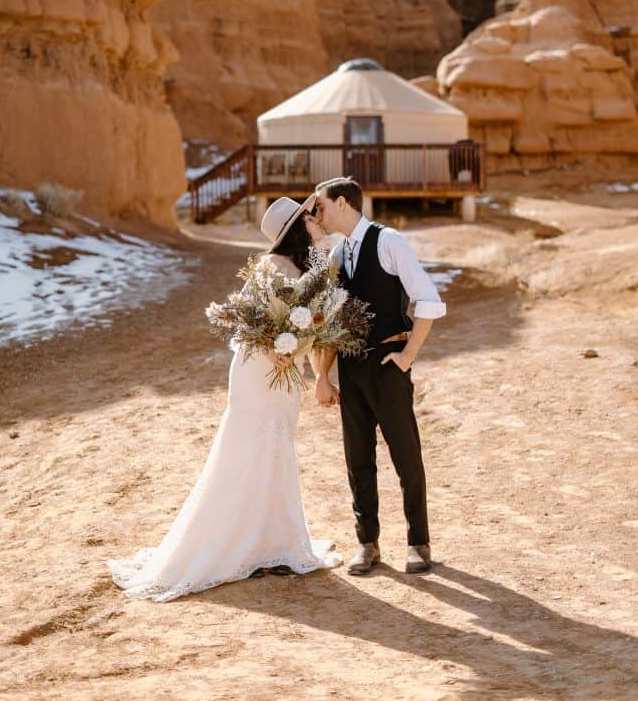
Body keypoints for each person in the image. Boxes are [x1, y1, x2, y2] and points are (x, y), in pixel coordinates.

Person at [108, 195, 340, 601]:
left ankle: (275, 544)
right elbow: (251, 325)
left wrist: (298, 350)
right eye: (310, 216)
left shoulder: (313, 265)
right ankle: (237, 545)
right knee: (249, 449)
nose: (316, 219)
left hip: (288, 372)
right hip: (261, 371)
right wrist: (278, 351)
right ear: (296, 228)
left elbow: (316, 315)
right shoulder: (270, 267)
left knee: (277, 450)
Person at [313, 177, 446, 576]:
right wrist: (323, 375)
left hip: (388, 364)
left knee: (405, 455)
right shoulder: (337, 254)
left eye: (321, 205)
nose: (318, 213)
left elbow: (427, 299)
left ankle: (418, 543)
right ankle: (367, 544)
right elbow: (328, 323)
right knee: (358, 457)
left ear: (341, 203)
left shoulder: (389, 241)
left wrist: (407, 355)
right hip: (350, 367)